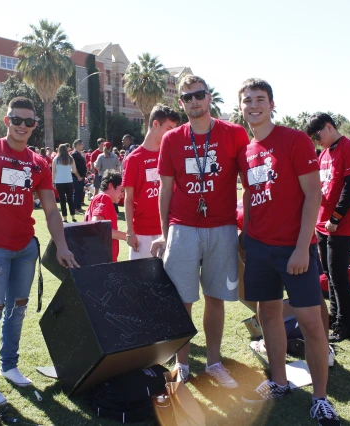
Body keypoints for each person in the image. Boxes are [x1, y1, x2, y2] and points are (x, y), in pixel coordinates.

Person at [0, 96, 78, 406]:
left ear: (35, 125)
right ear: (6, 120)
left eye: (29, 121)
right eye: (17, 119)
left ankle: (9, 365)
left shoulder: (38, 163)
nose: (22, 126)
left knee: (18, 310)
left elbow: (51, 210)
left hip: (25, 249)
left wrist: (62, 245)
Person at [236, 79, 340, 425]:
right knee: (268, 317)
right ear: (241, 107)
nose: (254, 105)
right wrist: (246, 237)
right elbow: (251, 198)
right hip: (259, 248)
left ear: (272, 104)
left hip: (295, 249)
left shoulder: (294, 139)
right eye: (247, 100)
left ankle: (321, 398)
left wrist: (300, 247)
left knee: (311, 323)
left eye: (260, 99)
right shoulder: (246, 151)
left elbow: (313, 195)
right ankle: (279, 382)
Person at [150, 75, 248, 387]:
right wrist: (166, 232)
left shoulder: (233, 133)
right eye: (187, 97)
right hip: (183, 227)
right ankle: (182, 363)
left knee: (215, 297)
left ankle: (215, 362)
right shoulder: (173, 138)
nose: (194, 101)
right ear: (181, 103)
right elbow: (165, 190)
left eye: (199, 95)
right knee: (182, 300)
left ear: (209, 97)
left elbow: (249, 183)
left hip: (222, 227)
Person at [306, 112, 350, 343]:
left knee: (339, 276)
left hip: (341, 226)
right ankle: (334, 316)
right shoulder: (324, 154)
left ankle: (344, 324)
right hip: (323, 225)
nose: (315, 139)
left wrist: (336, 218)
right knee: (329, 275)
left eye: (317, 134)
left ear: (329, 127)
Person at [123, 104, 180, 260]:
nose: (172, 134)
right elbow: (128, 199)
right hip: (142, 233)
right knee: (141, 282)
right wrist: (129, 232)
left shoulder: (171, 156)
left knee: (169, 281)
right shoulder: (133, 159)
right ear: (156, 124)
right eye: (169, 129)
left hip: (169, 230)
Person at [85, 170, 126, 262]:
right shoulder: (104, 198)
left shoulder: (98, 198)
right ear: (111, 186)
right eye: (122, 190)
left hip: (98, 256)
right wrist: (127, 236)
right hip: (103, 258)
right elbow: (98, 227)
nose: (122, 195)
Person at [53, 143, 81, 223]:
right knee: (70, 199)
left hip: (59, 182)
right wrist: (78, 176)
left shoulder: (56, 159)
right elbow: (74, 170)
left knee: (62, 200)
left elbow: (53, 172)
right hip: (69, 181)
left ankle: (64, 218)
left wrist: (53, 182)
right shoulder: (70, 158)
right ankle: (73, 216)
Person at [71, 140, 87, 213]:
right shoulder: (74, 154)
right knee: (77, 192)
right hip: (77, 177)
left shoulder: (79, 154)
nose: (83, 146)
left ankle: (78, 207)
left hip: (82, 176)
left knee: (80, 192)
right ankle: (74, 208)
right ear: (77, 145)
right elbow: (73, 167)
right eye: (81, 144)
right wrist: (78, 176)